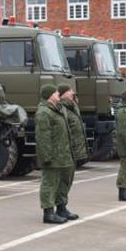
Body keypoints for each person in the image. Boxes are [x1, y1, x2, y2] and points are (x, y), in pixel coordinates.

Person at [35, 83, 75, 224]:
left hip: (63, 153)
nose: (58, 94)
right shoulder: (44, 112)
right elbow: (43, 137)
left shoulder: (57, 109)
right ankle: (48, 213)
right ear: (49, 95)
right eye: (55, 92)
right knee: (49, 183)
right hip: (52, 155)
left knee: (64, 181)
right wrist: (46, 157)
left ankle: (61, 208)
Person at [54, 84, 84, 220]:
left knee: (68, 179)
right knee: (62, 180)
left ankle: (63, 207)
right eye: (70, 91)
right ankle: (59, 208)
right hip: (65, 149)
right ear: (63, 94)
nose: (73, 92)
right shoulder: (62, 109)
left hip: (72, 150)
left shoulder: (72, 107)